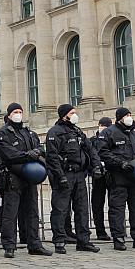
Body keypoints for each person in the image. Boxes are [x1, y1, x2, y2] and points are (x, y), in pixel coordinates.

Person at [0, 103, 53, 258]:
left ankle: (34, 244)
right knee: (10, 213)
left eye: (20, 111)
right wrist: (28, 155)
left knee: (32, 212)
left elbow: (40, 149)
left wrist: (36, 152)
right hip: (13, 177)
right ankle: (9, 246)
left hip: (29, 177)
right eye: (15, 112)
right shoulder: (3, 133)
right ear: (9, 114)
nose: (18, 114)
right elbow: (9, 154)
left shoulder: (28, 132)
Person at [45, 104, 100, 254]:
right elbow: (52, 157)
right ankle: (59, 240)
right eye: (72, 112)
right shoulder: (55, 132)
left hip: (79, 174)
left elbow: (90, 149)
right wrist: (60, 176)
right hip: (64, 174)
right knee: (61, 209)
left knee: (82, 209)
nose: (75, 115)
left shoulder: (77, 131)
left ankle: (84, 241)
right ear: (64, 115)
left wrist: (96, 166)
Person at [98, 107, 135, 251]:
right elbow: (103, 153)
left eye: (130, 114)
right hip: (118, 177)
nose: (129, 117)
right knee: (117, 209)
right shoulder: (109, 133)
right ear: (119, 118)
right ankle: (119, 237)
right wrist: (120, 163)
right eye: (126, 115)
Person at [90, 117, 112, 241]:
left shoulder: (112, 138)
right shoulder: (92, 140)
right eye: (102, 125)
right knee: (97, 203)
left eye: (106, 126)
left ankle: (116, 228)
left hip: (112, 173)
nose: (103, 128)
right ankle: (100, 230)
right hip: (98, 175)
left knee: (114, 203)